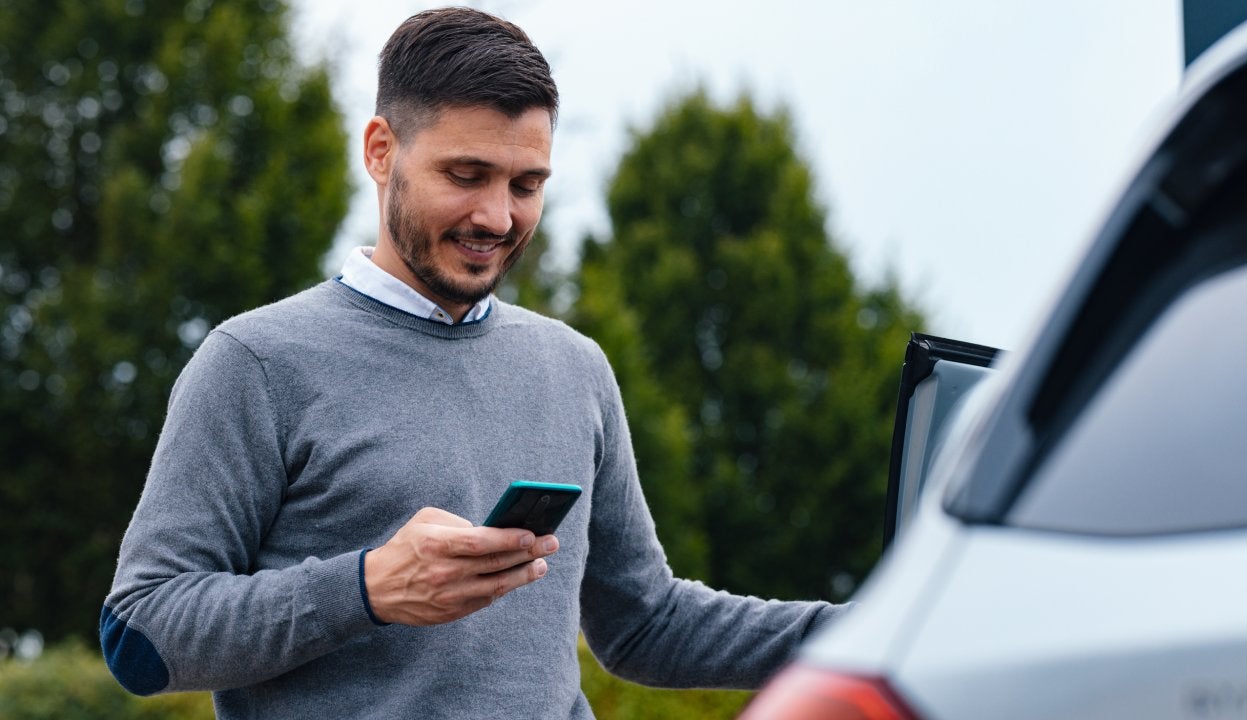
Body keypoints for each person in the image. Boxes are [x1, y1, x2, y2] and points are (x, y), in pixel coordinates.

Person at [100, 7, 844, 718]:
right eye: (466, 175)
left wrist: (881, 628)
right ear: (381, 151)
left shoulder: (574, 368)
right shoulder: (256, 363)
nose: (498, 216)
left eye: (526, 185)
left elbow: (645, 625)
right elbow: (142, 634)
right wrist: (365, 588)